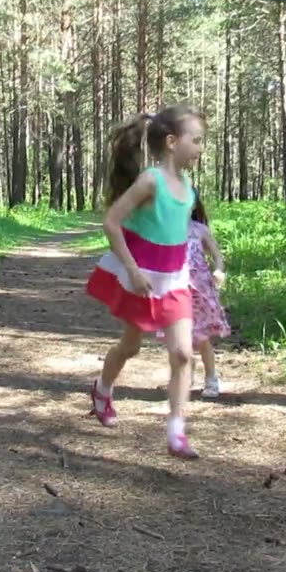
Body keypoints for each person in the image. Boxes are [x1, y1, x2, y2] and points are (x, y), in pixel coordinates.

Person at [85, 105, 205, 459]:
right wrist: (133, 271)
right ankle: (103, 389)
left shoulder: (187, 186)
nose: (199, 148)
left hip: (175, 283)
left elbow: (178, 235)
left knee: (183, 354)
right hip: (143, 281)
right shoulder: (150, 180)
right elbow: (111, 222)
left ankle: (176, 432)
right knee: (130, 347)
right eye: (195, 141)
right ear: (171, 142)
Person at [186, 193, 231, 398]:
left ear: (193, 204)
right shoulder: (165, 231)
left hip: (200, 289)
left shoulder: (200, 230)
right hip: (175, 289)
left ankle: (211, 378)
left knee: (202, 337)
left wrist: (219, 270)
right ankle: (185, 374)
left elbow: (217, 256)